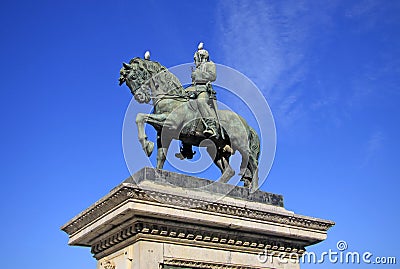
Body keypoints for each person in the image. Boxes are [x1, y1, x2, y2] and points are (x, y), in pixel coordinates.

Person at [191, 42, 219, 138]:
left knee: (201, 101)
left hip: (204, 90)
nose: (196, 60)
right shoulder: (196, 69)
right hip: (194, 90)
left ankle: (212, 126)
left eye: (198, 57)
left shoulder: (210, 64)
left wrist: (198, 75)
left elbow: (213, 76)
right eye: (196, 58)